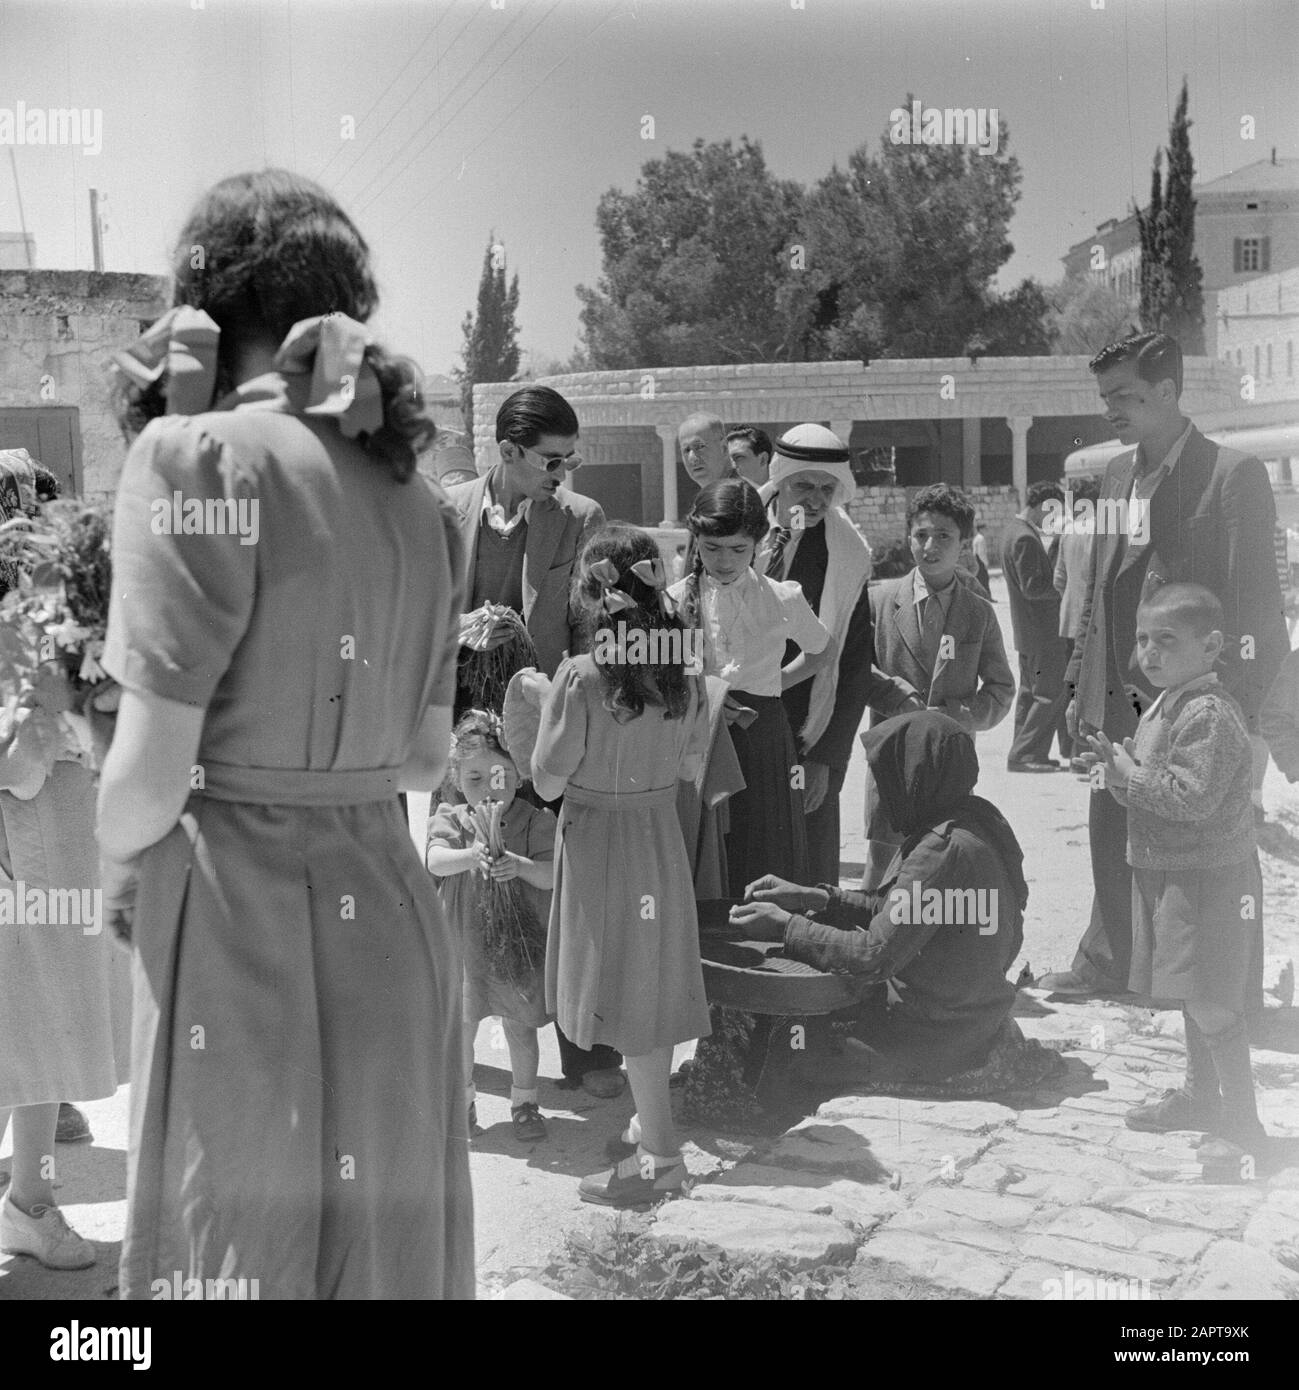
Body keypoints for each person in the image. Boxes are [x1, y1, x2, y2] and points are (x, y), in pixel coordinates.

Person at [97, 169, 473, 1299]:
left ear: (204, 308)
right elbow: (421, 759)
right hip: (392, 920)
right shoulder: (418, 502)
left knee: (238, 1260)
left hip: (238, 927)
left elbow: (141, 794)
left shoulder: (193, 460)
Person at [1042, 332, 1286, 999]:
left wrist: (1235, 715)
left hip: (1197, 700)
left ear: (1169, 392)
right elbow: (1099, 592)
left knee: (1207, 845)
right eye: (1104, 397)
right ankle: (1111, 964)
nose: (1109, 409)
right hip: (1120, 695)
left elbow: (1257, 608)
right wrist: (1078, 689)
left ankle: (1217, 989)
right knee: (1110, 829)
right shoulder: (1114, 475)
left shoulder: (1230, 474)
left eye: (1123, 395)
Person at [444, 386, 624, 1098]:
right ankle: (463, 1051)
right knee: (462, 880)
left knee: (559, 888)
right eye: (552, 459)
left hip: (544, 730)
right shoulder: (447, 510)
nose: (564, 473)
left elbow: (589, 633)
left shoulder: (581, 520)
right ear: (508, 452)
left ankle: (586, 1053)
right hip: (463, 736)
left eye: (572, 460)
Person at [730, 712, 1061, 1094]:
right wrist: (817, 897)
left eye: (889, 778)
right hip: (967, 1017)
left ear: (918, 776)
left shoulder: (941, 851)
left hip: (938, 1036)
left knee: (788, 1045)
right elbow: (898, 911)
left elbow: (873, 954)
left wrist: (785, 927)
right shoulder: (971, 821)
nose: (883, 793)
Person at [532, 524, 711, 1207]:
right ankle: (648, 1124)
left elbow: (548, 782)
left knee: (624, 996)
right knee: (651, 986)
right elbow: (690, 766)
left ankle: (661, 1160)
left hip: (599, 841)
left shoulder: (579, 677)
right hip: (657, 837)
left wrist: (532, 707)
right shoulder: (684, 674)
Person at [1088, 584, 1267, 1167]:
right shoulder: (1166, 703)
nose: (1150, 652)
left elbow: (1190, 799)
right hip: (1170, 872)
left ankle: (1242, 1124)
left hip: (1208, 881)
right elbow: (1154, 787)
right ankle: (1199, 1097)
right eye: (1143, 639)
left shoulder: (1208, 713)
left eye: (1167, 640)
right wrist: (1118, 774)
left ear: (1212, 645)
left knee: (1213, 999)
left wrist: (1131, 776)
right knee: (1191, 992)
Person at [0, 455, 126, 1272]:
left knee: (39, 1041)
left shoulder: (64, 625)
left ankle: (30, 1205)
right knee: (23, 1034)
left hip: (61, 851)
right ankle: (30, 1204)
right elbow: (16, 762)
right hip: (26, 852)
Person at [758, 424, 918, 885]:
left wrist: (828, 758)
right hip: (733, 719)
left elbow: (850, 666)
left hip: (806, 725)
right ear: (780, 479)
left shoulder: (847, 554)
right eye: (803, 485)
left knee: (805, 870)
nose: (814, 499)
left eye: (826, 489)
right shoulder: (736, 524)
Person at [669, 478, 834, 896]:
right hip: (699, 737)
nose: (725, 560)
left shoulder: (782, 598)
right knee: (705, 843)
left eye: (738, 549)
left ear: (759, 544)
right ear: (697, 541)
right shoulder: (673, 602)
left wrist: (773, 684)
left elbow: (822, 651)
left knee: (761, 838)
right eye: (712, 548)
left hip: (761, 737)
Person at [862, 483, 1014, 887]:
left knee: (938, 864)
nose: (930, 546)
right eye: (921, 535)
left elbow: (1001, 688)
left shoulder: (978, 612)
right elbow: (856, 669)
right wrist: (896, 696)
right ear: (908, 537)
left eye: (943, 536)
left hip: (949, 763)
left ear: (965, 544)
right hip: (891, 756)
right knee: (882, 863)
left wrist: (956, 716)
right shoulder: (879, 601)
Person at [427, 710, 555, 1145]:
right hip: (465, 944)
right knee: (462, 1025)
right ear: (456, 777)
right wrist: (471, 855)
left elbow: (552, 874)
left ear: (520, 774)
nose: (488, 788)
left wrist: (517, 865)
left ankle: (525, 1103)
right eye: (474, 777)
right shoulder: (454, 818)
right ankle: (461, 1104)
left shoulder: (535, 820)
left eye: (500, 775)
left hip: (517, 940)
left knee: (520, 1024)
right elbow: (434, 860)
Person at [1002, 481, 1070, 772]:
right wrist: (1065, 590)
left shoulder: (1011, 532)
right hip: (1042, 631)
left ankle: (1022, 750)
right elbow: (1034, 588)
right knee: (1049, 692)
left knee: (1030, 692)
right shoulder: (1026, 538)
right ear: (1043, 505)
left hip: (1026, 632)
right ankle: (1026, 753)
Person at [1054, 476, 1099, 771]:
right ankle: (1083, 758)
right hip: (1091, 620)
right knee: (1091, 688)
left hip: (1068, 617)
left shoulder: (1068, 530)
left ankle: (1070, 752)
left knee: (1071, 687)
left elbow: (1058, 579)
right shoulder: (1102, 530)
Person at [677, 412, 736, 491]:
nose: (692, 458)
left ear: (724, 448)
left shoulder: (742, 494)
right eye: (686, 450)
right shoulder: (708, 496)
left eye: (699, 446)